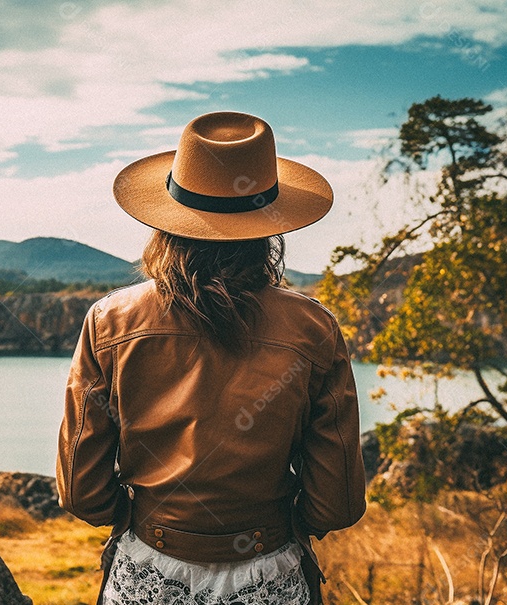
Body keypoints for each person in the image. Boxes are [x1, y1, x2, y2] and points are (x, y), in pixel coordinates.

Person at [55, 111, 367, 605]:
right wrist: (284, 524)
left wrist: (138, 518)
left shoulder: (108, 321)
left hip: (148, 573)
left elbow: (81, 490)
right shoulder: (313, 328)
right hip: (271, 575)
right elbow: (338, 503)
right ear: (269, 226)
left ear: (167, 221)